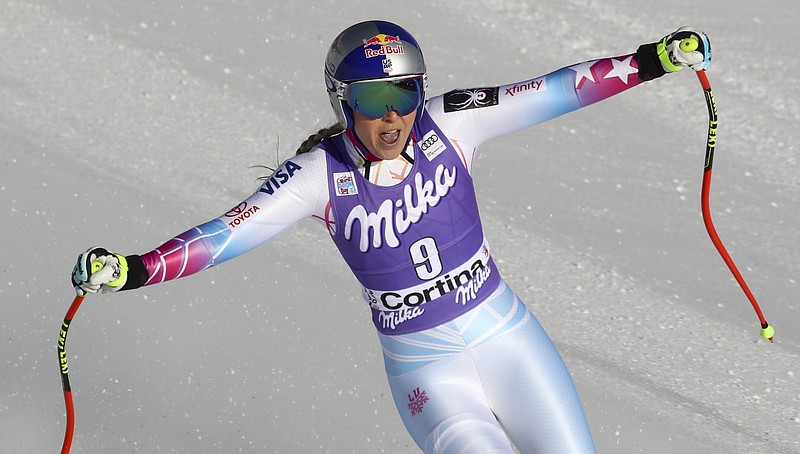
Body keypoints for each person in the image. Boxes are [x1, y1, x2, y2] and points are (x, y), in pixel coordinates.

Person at [71, 20, 711, 453]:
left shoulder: (452, 121)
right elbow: (223, 236)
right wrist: (130, 270)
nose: (393, 115)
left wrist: (654, 60)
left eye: (404, 92)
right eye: (373, 98)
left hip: (505, 333)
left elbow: (558, 89)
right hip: (426, 365)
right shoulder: (319, 175)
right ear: (343, 101)